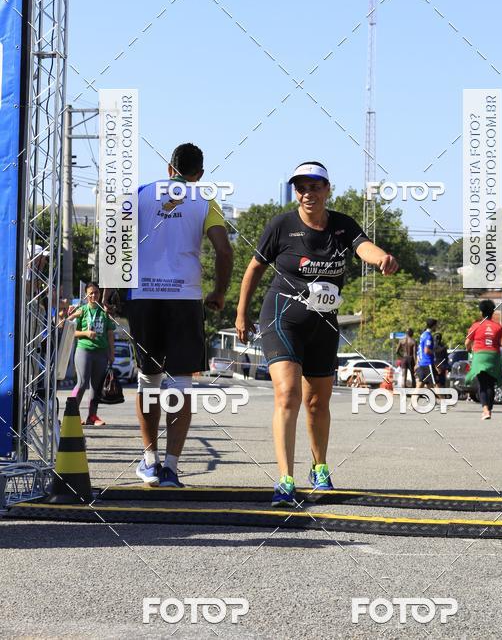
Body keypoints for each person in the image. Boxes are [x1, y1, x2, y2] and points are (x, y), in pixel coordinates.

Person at [235, 161, 398, 508]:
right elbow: (254, 269)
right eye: (301, 188)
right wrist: (241, 313)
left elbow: (363, 246)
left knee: (317, 402)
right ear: (295, 192)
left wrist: (381, 258)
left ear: (327, 190)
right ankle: (285, 479)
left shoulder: (342, 225)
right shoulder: (281, 226)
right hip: (282, 319)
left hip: (323, 324)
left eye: (315, 187)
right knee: (288, 395)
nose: (308, 193)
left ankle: (319, 467)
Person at [112, 143, 233, 488]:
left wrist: (113, 288)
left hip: (143, 296)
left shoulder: (140, 194)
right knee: (181, 383)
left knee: (148, 380)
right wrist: (219, 291)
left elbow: (115, 241)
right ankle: (171, 468)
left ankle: (149, 461)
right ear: (200, 174)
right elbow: (224, 251)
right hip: (185, 297)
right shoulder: (205, 199)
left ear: (169, 168)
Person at [70, 281, 115, 426]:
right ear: (86, 295)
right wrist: (86, 333)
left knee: (96, 386)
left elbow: (110, 334)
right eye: (91, 293)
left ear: (100, 294)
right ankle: (72, 414)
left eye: (96, 292)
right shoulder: (81, 310)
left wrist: (112, 353)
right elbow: (71, 332)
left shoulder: (104, 312)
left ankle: (92, 416)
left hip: (101, 352)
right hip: (84, 350)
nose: (94, 295)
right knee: (82, 383)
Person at [465, 299, 502, 420]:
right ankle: (489, 411)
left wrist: (469, 350)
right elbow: (501, 343)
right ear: (492, 313)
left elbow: (467, 343)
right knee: (491, 384)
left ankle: (485, 410)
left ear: (481, 312)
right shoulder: (498, 327)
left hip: (480, 356)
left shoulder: (475, 326)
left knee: (482, 384)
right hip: (493, 357)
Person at [415, 318, 438, 388]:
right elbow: (426, 350)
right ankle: (442, 397)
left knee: (421, 386)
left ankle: (412, 396)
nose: (436, 327)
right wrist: (435, 351)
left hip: (422, 363)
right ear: (433, 326)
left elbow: (420, 350)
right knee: (436, 385)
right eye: (436, 325)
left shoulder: (423, 335)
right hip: (428, 363)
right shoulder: (428, 336)